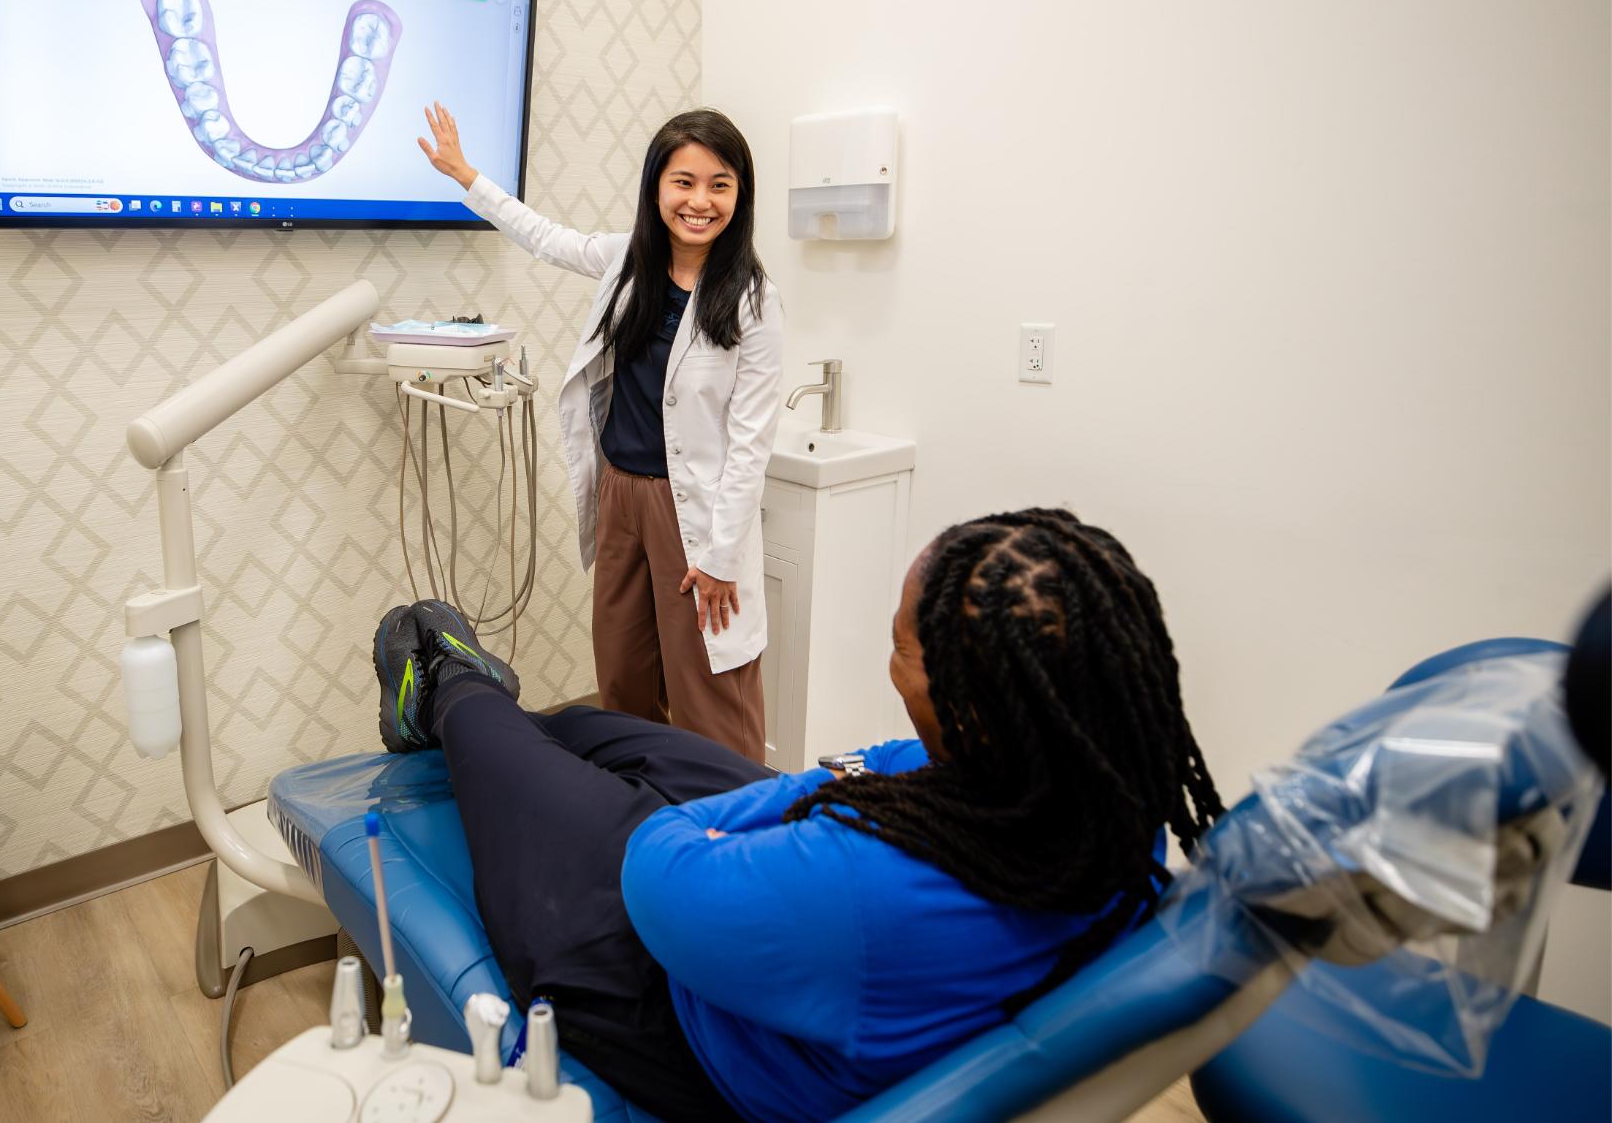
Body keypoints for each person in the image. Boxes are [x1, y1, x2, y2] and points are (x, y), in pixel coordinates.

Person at [372, 508, 1224, 1123]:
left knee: (497, 733)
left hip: (660, 992)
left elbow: (658, 860)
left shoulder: (861, 886)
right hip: (775, 913)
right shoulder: (1107, 810)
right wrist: (813, 790)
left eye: (902, 647)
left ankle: (447, 683)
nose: (890, 660)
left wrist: (756, 812)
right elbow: (887, 760)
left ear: (971, 704)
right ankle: (525, 728)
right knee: (595, 730)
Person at [418, 104, 783, 761]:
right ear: (656, 188)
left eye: (719, 184)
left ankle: (736, 824)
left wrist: (723, 556)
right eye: (684, 181)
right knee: (622, 670)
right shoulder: (626, 262)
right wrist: (468, 176)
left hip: (692, 512)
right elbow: (544, 236)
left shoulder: (754, 299)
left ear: (740, 195)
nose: (699, 200)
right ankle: (640, 809)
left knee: (708, 686)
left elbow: (752, 440)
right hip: (621, 497)